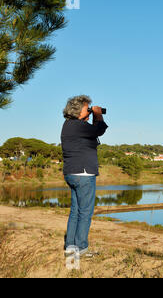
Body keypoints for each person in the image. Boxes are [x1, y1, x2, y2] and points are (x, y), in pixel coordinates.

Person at [61, 95, 108, 257]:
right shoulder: (78, 125)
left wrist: (92, 116)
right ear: (77, 110)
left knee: (75, 211)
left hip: (72, 173)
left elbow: (93, 132)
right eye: (87, 108)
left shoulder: (69, 125)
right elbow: (100, 130)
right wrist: (98, 114)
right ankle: (81, 249)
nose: (89, 110)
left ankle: (70, 248)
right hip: (84, 174)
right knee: (85, 213)